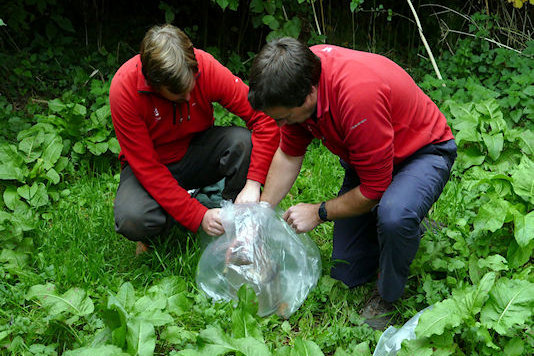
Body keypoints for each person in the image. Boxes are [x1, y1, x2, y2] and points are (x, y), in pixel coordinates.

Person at [248, 37, 456, 329]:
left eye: (282, 118)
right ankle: (406, 225)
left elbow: (374, 190)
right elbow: (288, 154)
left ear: (308, 95)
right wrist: (261, 213)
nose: (280, 125)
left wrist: (319, 212)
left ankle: (389, 293)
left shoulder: (357, 97)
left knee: (393, 215)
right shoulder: (296, 74)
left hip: (422, 154)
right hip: (370, 162)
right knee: (348, 272)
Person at [109, 24, 279, 253]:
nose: (190, 97)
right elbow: (148, 169)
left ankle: (237, 223)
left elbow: (264, 119)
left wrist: (253, 183)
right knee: (133, 218)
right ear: (155, 85)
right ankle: (163, 225)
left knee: (243, 143)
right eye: (180, 95)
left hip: (196, 152)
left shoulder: (205, 66)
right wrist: (198, 216)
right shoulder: (124, 89)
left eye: (192, 86)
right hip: (151, 166)